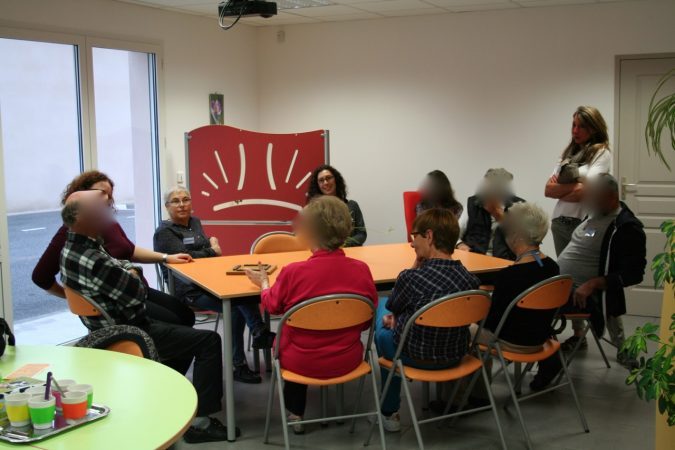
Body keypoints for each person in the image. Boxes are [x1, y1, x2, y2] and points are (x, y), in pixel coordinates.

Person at [59, 190, 234, 443]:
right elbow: (137, 293)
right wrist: (132, 274)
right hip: (128, 330)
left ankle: (167, 394)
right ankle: (201, 424)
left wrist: (130, 271)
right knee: (209, 341)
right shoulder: (93, 258)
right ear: (82, 220)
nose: (108, 216)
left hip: (109, 325)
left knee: (183, 325)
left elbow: (124, 266)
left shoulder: (75, 247)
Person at [245, 196, 378, 434]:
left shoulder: (293, 272)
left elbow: (272, 305)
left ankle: (296, 415)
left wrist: (264, 283)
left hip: (300, 362)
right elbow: (368, 318)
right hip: (349, 359)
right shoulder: (362, 270)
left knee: (290, 341)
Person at [32, 171, 195, 327]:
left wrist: (166, 257)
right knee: (177, 322)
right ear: (82, 195)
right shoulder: (72, 232)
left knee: (186, 315)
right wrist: (81, 301)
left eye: (109, 195)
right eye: (101, 193)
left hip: (136, 290)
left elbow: (129, 250)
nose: (107, 199)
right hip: (121, 303)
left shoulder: (108, 223)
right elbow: (41, 276)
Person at [153, 186, 275, 384]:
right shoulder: (165, 232)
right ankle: (240, 364)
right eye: (176, 201)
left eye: (186, 199)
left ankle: (258, 331)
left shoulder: (195, 221)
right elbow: (185, 258)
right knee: (234, 308)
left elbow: (200, 247)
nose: (182, 204)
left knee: (244, 290)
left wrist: (210, 243)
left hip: (210, 279)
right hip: (188, 289)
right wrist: (213, 249)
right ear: (167, 206)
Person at [374, 208, 480, 432]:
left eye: (415, 237)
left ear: (429, 236)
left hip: (415, 356)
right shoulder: (470, 281)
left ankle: (389, 412)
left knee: (382, 313)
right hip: (455, 357)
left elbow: (395, 303)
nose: (412, 245)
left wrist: (396, 319)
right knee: (395, 312)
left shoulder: (411, 278)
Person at [555, 173, 646, 371]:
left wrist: (594, 283)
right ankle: (554, 348)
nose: (589, 200)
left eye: (594, 196)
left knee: (532, 306)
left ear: (611, 196)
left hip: (585, 292)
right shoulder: (593, 213)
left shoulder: (627, 228)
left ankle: (541, 358)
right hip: (561, 285)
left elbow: (634, 273)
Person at [478, 202, 560, 354]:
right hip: (540, 339)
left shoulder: (509, 276)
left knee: (460, 327)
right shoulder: (553, 268)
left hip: (510, 341)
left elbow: (491, 323)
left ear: (517, 235)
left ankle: (478, 377)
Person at [545, 106, 612, 256]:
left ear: (594, 129)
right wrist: (578, 185)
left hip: (586, 224)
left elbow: (584, 193)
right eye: (574, 125)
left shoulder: (601, 153)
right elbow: (548, 190)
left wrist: (561, 189)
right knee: (565, 273)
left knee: (584, 271)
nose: (575, 130)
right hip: (559, 223)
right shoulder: (567, 154)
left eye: (582, 126)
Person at [457, 168, 524, 260]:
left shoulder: (519, 206)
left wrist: (499, 215)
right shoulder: (472, 203)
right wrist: (460, 244)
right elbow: (455, 232)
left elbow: (523, 240)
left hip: (505, 260)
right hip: (474, 257)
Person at [306, 164, 367, 247]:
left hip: (352, 253)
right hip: (326, 256)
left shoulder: (352, 205)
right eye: (321, 180)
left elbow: (361, 234)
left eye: (328, 178)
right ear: (318, 185)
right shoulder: (313, 210)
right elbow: (310, 238)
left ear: (336, 180)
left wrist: (344, 245)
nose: (326, 182)